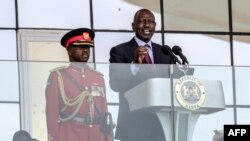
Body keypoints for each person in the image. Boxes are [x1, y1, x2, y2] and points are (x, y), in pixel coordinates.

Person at [109, 9, 175, 141]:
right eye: (141, 21)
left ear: (155, 26)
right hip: (134, 126)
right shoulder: (120, 51)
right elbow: (116, 84)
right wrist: (135, 65)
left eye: (150, 22)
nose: (146, 25)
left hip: (162, 127)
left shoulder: (165, 53)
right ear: (133, 26)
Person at [45, 28, 114, 141]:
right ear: (69, 50)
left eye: (87, 47)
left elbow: (104, 111)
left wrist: (108, 137)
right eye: (80, 47)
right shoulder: (58, 76)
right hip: (70, 135)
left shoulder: (98, 77)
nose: (85, 50)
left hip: (97, 136)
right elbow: (52, 114)